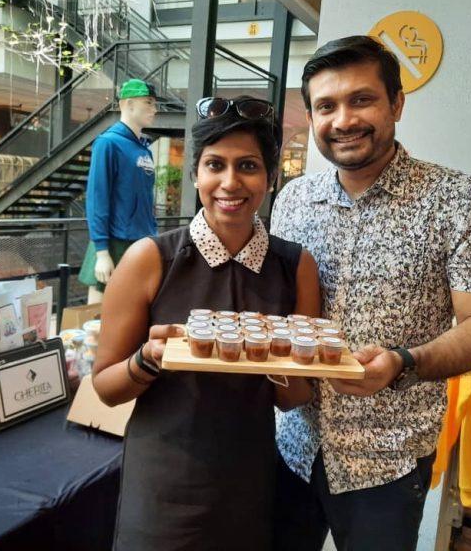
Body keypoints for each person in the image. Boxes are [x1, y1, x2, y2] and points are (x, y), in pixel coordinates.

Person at [271, 35, 471, 551]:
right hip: (294, 444)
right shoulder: (292, 199)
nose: (343, 120)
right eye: (326, 106)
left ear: (396, 103)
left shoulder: (459, 201)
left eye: (362, 100)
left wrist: (403, 362)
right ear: (310, 118)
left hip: (388, 459)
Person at [92, 96, 321, 551]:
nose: (230, 182)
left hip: (249, 483)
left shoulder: (295, 266)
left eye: (248, 166)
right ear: (196, 173)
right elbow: (106, 388)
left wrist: (274, 356)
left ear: (270, 178)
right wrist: (148, 358)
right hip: (162, 484)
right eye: (215, 164)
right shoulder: (150, 259)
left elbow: (296, 397)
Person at [79, 78, 159, 304]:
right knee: (98, 313)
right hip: (114, 242)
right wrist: (102, 252)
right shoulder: (108, 143)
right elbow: (97, 199)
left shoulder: (144, 150)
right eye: (149, 102)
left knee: (135, 311)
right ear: (129, 104)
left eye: (154, 104)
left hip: (143, 241)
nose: (154, 109)